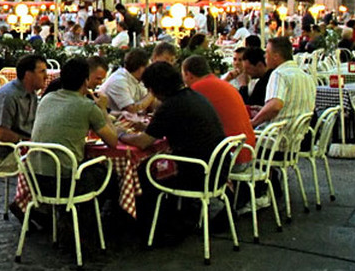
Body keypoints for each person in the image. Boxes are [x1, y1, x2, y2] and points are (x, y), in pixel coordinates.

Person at [120, 62, 227, 192]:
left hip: (196, 174)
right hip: (218, 169)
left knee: (143, 171)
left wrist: (120, 134)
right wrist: (143, 127)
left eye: (150, 89)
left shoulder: (170, 106)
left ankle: (149, 211)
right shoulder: (193, 96)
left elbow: (143, 142)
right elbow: (164, 128)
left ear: (156, 88)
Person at [29, 58, 120, 192]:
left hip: (34, 178)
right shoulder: (88, 106)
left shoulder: (46, 99)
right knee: (110, 176)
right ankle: (90, 212)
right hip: (65, 182)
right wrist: (103, 109)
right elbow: (113, 141)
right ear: (86, 81)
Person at [0, 53, 47, 172]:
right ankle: (38, 190)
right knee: (49, 163)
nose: (46, 76)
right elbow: (1, 133)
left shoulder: (31, 94)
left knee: (54, 156)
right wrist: (27, 142)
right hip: (0, 157)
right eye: (42, 72)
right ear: (28, 75)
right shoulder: (8, 96)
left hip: (16, 149)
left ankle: (38, 190)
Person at [181, 55, 254, 166]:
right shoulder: (222, 84)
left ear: (188, 74)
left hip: (230, 158)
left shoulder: (196, 90)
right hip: (247, 151)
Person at [252, 36, 315, 129]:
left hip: (277, 137)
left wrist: (254, 122)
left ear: (276, 56)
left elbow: (275, 106)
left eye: (267, 52)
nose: (264, 56)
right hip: (299, 136)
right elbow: (291, 108)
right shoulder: (306, 77)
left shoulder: (279, 74)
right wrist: (263, 110)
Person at [99, 48, 155, 114]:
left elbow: (149, 105)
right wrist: (153, 92)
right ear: (141, 68)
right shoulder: (119, 81)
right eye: (147, 67)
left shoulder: (138, 80)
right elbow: (132, 110)